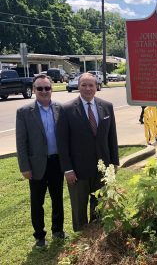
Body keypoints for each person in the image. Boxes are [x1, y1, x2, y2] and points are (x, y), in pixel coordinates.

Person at [57, 72, 119, 232]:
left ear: (96, 87)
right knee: (79, 206)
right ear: (78, 87)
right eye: (84, 85)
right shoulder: (66, 109)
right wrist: (68, 169)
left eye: (91, 85)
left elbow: (112, 137)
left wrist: (114, 163)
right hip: (78, 170)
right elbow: (62, 144)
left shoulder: (107, 106)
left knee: (99, 203)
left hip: (102, 168)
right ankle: (81, 236)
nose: (87, 88)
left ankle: (96, 233)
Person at [16, 74, 66, 248]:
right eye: (40, 88)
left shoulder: (61, 108)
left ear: (51, 89)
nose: (44, 91)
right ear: (34, 90)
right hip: (36, 165)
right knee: (37, 202)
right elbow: (21, 143)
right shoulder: (24, 112)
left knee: (57, 199)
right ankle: (39, 236)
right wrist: (24, 167)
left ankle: (58, 230)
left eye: (47, 88)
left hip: (56, 162)